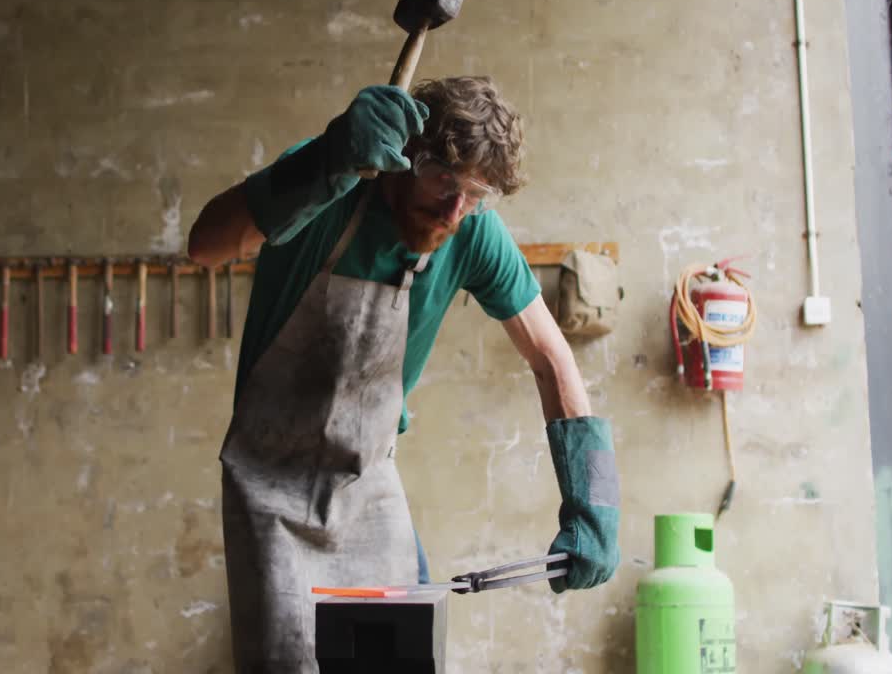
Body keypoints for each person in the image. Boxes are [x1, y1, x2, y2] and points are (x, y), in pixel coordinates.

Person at [188, 77, 620, 673]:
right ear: (405, 156)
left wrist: (594, 504)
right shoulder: (329, 182)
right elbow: (204, 245)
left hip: (369, 483)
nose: (454, 210)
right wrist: (324, 159)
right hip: (269, 491)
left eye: (476, 194)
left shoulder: (472, 231)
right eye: (443, 179)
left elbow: (550, 356)